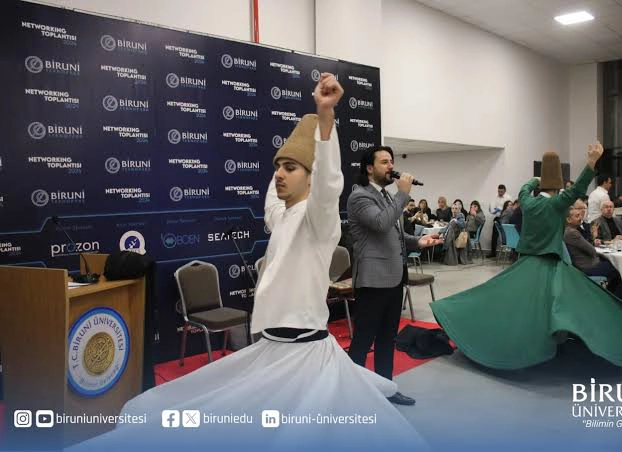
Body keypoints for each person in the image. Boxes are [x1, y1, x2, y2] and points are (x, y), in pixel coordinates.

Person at [71, 75, 425, 451]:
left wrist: (324, 118)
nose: (280, 174)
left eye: (291, 168)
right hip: (272, 350)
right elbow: (274, 197)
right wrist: (291, 155)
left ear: (311, 178)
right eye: (278, 167)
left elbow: (328, 182)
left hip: (306, 357)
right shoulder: (282, 217)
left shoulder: (319, 220)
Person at [431, 142, 622, 370]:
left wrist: (536, 179)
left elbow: (524, 189)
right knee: (568, 304)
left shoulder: (528, 201)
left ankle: (460, 317)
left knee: (508, 302)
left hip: (524, 263)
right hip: (549, 265)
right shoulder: (557, 203)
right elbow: (578, 188)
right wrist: (591, 162)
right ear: (558, 186)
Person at [347, 145, 442, 406]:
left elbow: (395, 233)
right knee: (363, 340)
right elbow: (380, 223)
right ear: (369, 168)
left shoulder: (388, 196)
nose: (391, 166)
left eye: (391, 161)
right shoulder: (360, 196)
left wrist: (419, 241)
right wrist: (403, 194)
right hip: (372, 280)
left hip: (394, 277)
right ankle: (351, 394)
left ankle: (386, 389)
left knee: (388, 338)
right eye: (385, 162)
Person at [564, 206, 622, 299]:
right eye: (577, 216)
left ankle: (609, 297)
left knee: (612, 267)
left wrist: (593, 237)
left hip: (580, 265)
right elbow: (592, 250)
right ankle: (615, 300)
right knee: (620, 271)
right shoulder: (572, 233)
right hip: (586, 267)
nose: (580, 218)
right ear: (568, 220)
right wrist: (593, 237)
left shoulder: (567, 231)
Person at [487, 185, 513, 258]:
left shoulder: (508, 198)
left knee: (506, 235)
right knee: (494, 236)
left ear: (505, 191)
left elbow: (510, 209)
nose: (500, 193)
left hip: (505, 219)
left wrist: (501, 210)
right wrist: (493, 210)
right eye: (499, 191)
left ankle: (510, 253)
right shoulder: (495, 197)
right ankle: (493, 253)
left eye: (501, 191)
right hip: (497, 218)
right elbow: (491, 208)